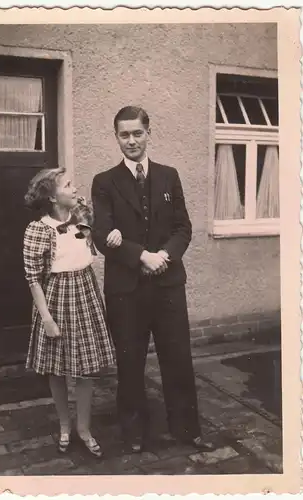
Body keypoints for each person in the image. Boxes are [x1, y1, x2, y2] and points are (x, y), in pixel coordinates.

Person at [91, 106, 214, 453]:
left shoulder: (168, 176)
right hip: (125, 290)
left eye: (137, 133)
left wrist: (164, 256)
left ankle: (187, 430)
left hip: (167, 285)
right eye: (124, 134)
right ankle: (133, 434)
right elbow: (101, 234)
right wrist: (140, 255)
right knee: (130, 363)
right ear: (116, 137)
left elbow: (183, 228)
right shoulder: (104, 182)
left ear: (149, 133)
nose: (131, 141)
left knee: (177, 358)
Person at [23, 167, 117, 457]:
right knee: (57, 368)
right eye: (68, 185)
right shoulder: (37, 231)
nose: (75, 188)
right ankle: (65, 425)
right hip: (56, 299)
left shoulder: (82, 221)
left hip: (86, 295)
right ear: (52, 197)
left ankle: (83, 428)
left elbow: (91, 252)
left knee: (86, 368)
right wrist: (47, 319)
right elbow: (33, 280)